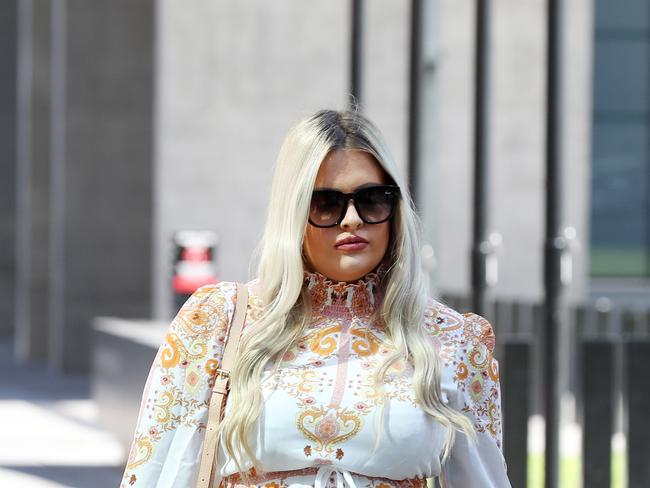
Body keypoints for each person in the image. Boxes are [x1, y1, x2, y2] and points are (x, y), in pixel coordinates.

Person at [120, 109, 511, 487]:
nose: (352, 219)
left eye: (373, 198)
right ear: (293, 212)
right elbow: (160, 474)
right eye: (326, 203)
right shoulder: (217, 323)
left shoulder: (454, 340)